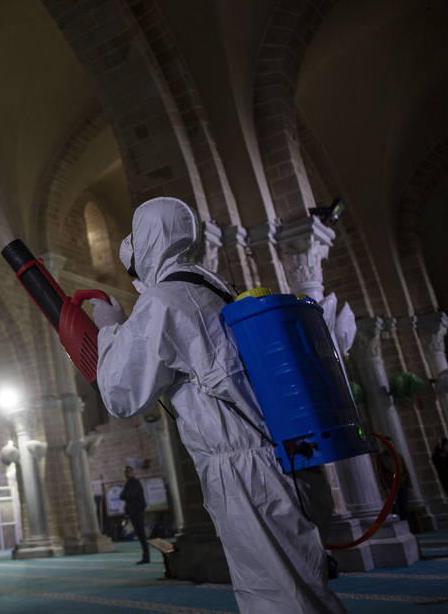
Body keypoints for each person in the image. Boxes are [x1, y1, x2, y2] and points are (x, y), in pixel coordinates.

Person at [90, 196, 345, 614]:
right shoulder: (216, 288)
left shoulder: (165, 302)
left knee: (280, 599)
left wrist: (110, 331)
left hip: (249, 473)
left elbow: (121, 394)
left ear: (150, 242)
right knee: (303, 590)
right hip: (283, 458)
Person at [120, 465, 149, 564]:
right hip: (132, 512)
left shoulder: (135, 483)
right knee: (140, 535)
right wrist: (127, 495)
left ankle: (146, 556)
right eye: (125, 472)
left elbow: (132, 495)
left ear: (132, 472)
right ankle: (145, 556)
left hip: (138, 512)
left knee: (142, 534)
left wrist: (127, 495)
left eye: (128, 472)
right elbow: (122, 496)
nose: (126, 474)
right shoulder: (128, 484)